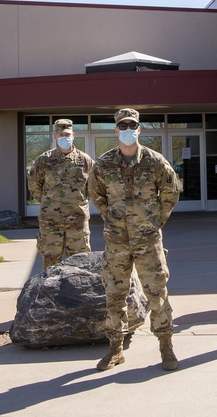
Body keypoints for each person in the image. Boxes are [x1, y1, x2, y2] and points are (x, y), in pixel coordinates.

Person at [88, 108, 182, 371]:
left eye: (133, 125)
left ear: (139, 129)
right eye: (123, 125)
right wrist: (112, 219)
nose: (128, 130)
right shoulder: (104, 164)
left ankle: (166, 346)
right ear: (116, 130)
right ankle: (115, 349)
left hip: (147, 241)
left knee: (157, 294)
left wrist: (153, 222)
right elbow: (97, 195)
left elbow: (171, 193)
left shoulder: (155, 162)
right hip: (116, 241)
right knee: (114, 295)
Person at [28, 119, 95, 269]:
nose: (65, 137)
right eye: (61, 134)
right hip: (50, 223)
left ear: (73, 135)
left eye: (67, 134)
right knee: (51, 265)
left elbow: (93, 187)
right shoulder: (44, 160)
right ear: (55, 137)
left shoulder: (85, 160)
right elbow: (34, 186)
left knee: (81, 265)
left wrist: (78, 201)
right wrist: (49, 203)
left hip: (77, 222)